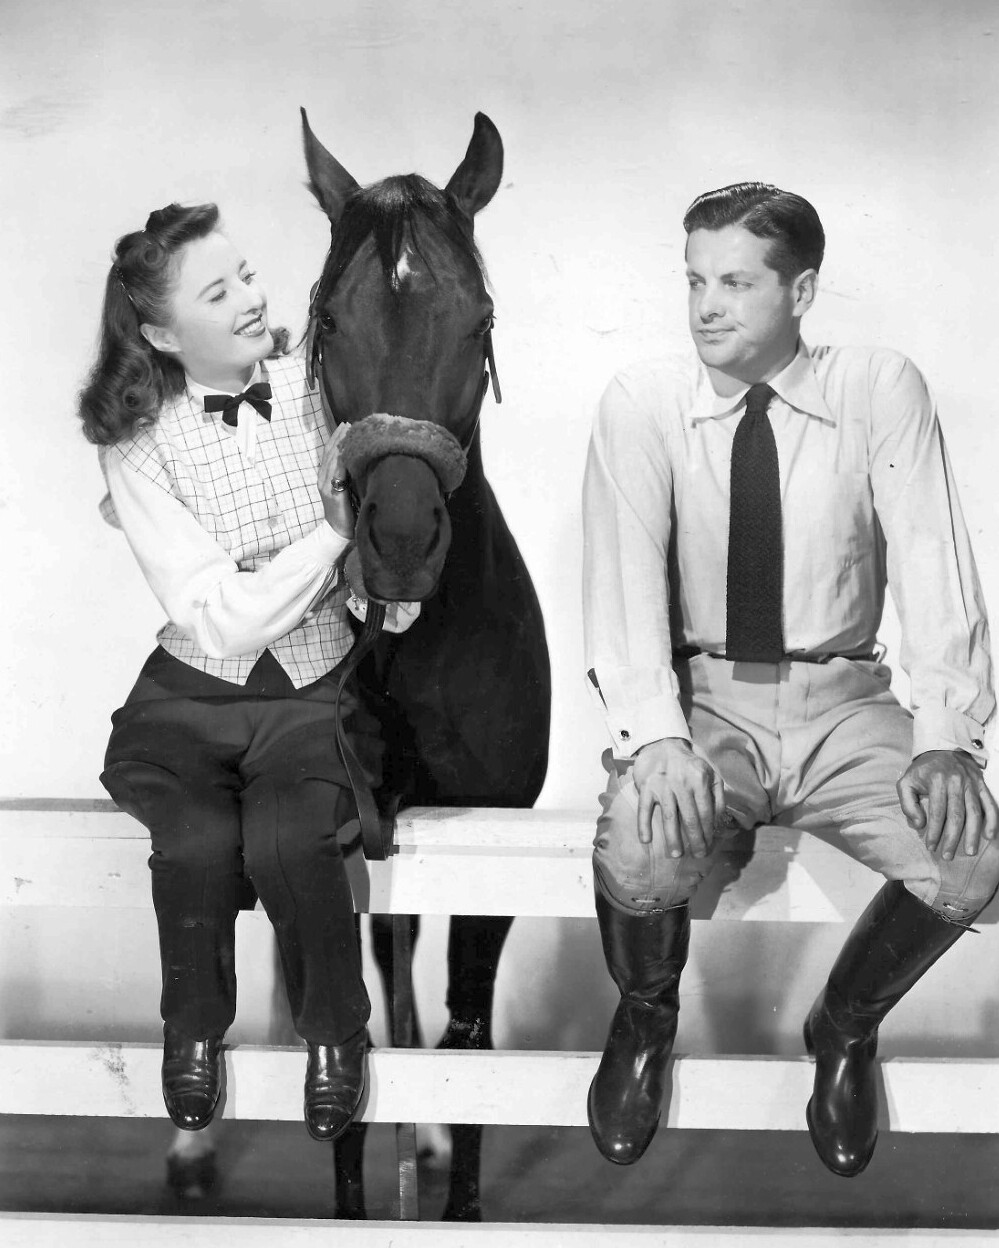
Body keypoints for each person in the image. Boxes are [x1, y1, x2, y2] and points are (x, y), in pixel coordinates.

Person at [581, 182, 999, 1177]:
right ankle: (645, 1019)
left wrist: (947, 737)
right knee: (639, 841)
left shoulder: (877, 389)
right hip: (706, 701)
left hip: (844, 703)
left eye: (735, 282)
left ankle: (843, 1028)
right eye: (694, 281)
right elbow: (621, 586)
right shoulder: (644, 403)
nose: (705, 306)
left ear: (801, 290)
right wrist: (658, 738)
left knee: (971, 857)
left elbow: (935, 563)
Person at [78, 201, 417, 1142]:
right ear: (160, 334)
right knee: (192, 843)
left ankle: (334, 1034)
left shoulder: (322, 387)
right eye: (216, 292)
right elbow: (219, 619)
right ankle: (190, 1029)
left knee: (289, 841)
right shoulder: (136, 445)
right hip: (192, 695)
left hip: (316, 693)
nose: (249, 300)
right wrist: (331, 538)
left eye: (248, 276)